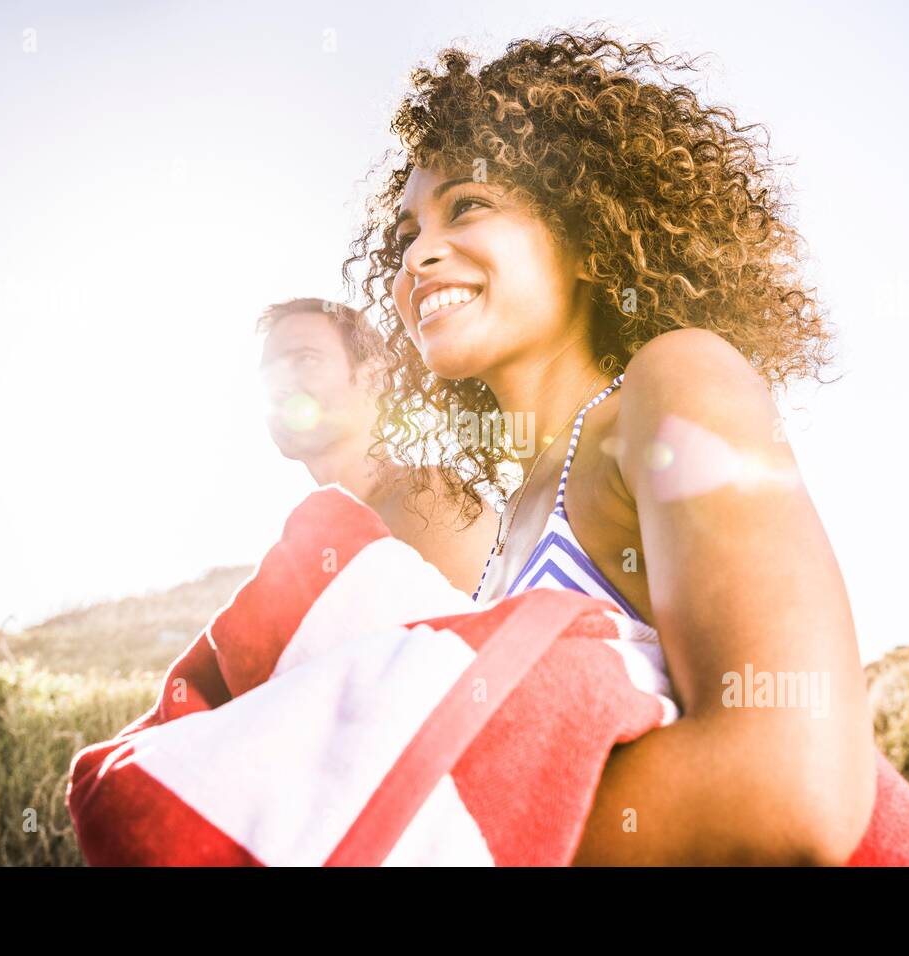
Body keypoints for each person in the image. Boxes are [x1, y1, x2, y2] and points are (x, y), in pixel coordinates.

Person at [341, 28, 877, 865]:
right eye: (409, 230)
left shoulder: (675, 383)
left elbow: (790, 788)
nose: (419, 254)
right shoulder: (503, 533)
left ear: (588, 236)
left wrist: (426, 838)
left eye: (467, 205)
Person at [258, 296, 497, 594]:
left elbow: (476, 634)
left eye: (306, 360)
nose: (279, 385)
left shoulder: (429, 499)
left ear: (374, 378)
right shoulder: (301, 546)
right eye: (269, 371)